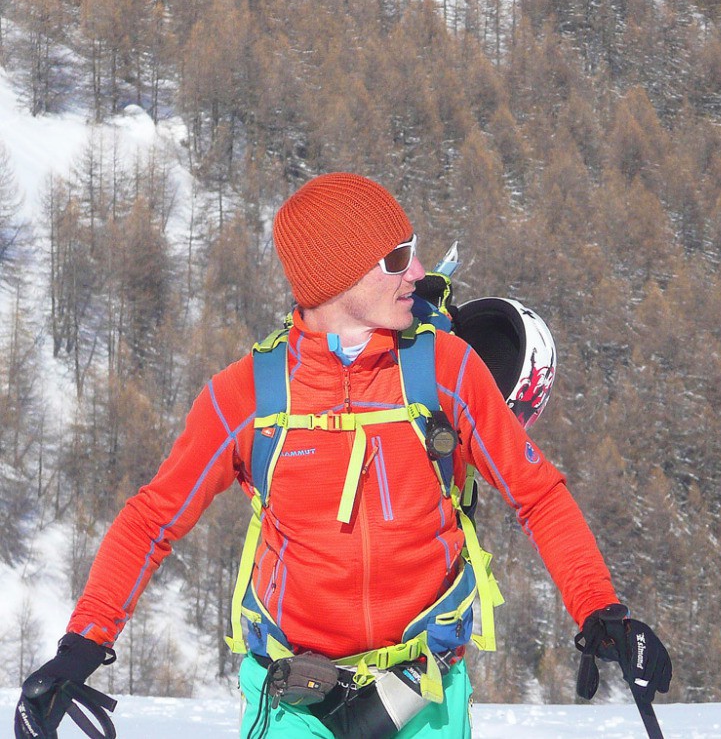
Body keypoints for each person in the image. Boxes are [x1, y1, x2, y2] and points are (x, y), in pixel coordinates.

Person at [15, 173, 671, 739]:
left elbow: (539, 494)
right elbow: (151, 518)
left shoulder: (447, 371)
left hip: (426, 691)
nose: (418, 271)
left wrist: (599, 609)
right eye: (397, 257)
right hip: (294, 695)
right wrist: (83, 643)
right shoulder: (248, 395)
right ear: (335, 272)